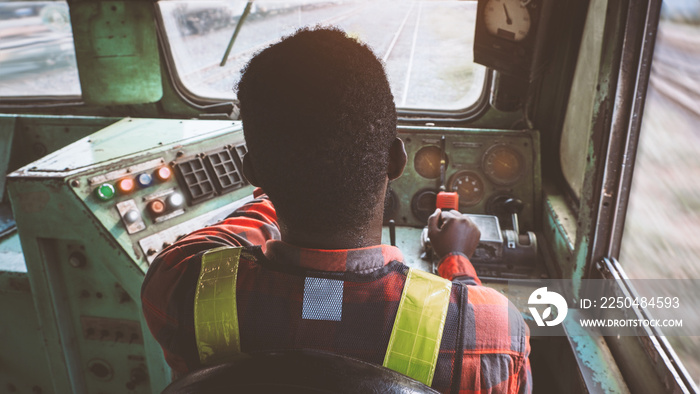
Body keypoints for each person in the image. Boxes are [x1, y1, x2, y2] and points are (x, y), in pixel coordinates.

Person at [142, 27, 531, 394]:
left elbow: (206, 242)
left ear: (253, 174)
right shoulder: (497, 331)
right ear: (396, 161)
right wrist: (456, 258)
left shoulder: (176, 284)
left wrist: (280, 187)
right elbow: (472, 323)